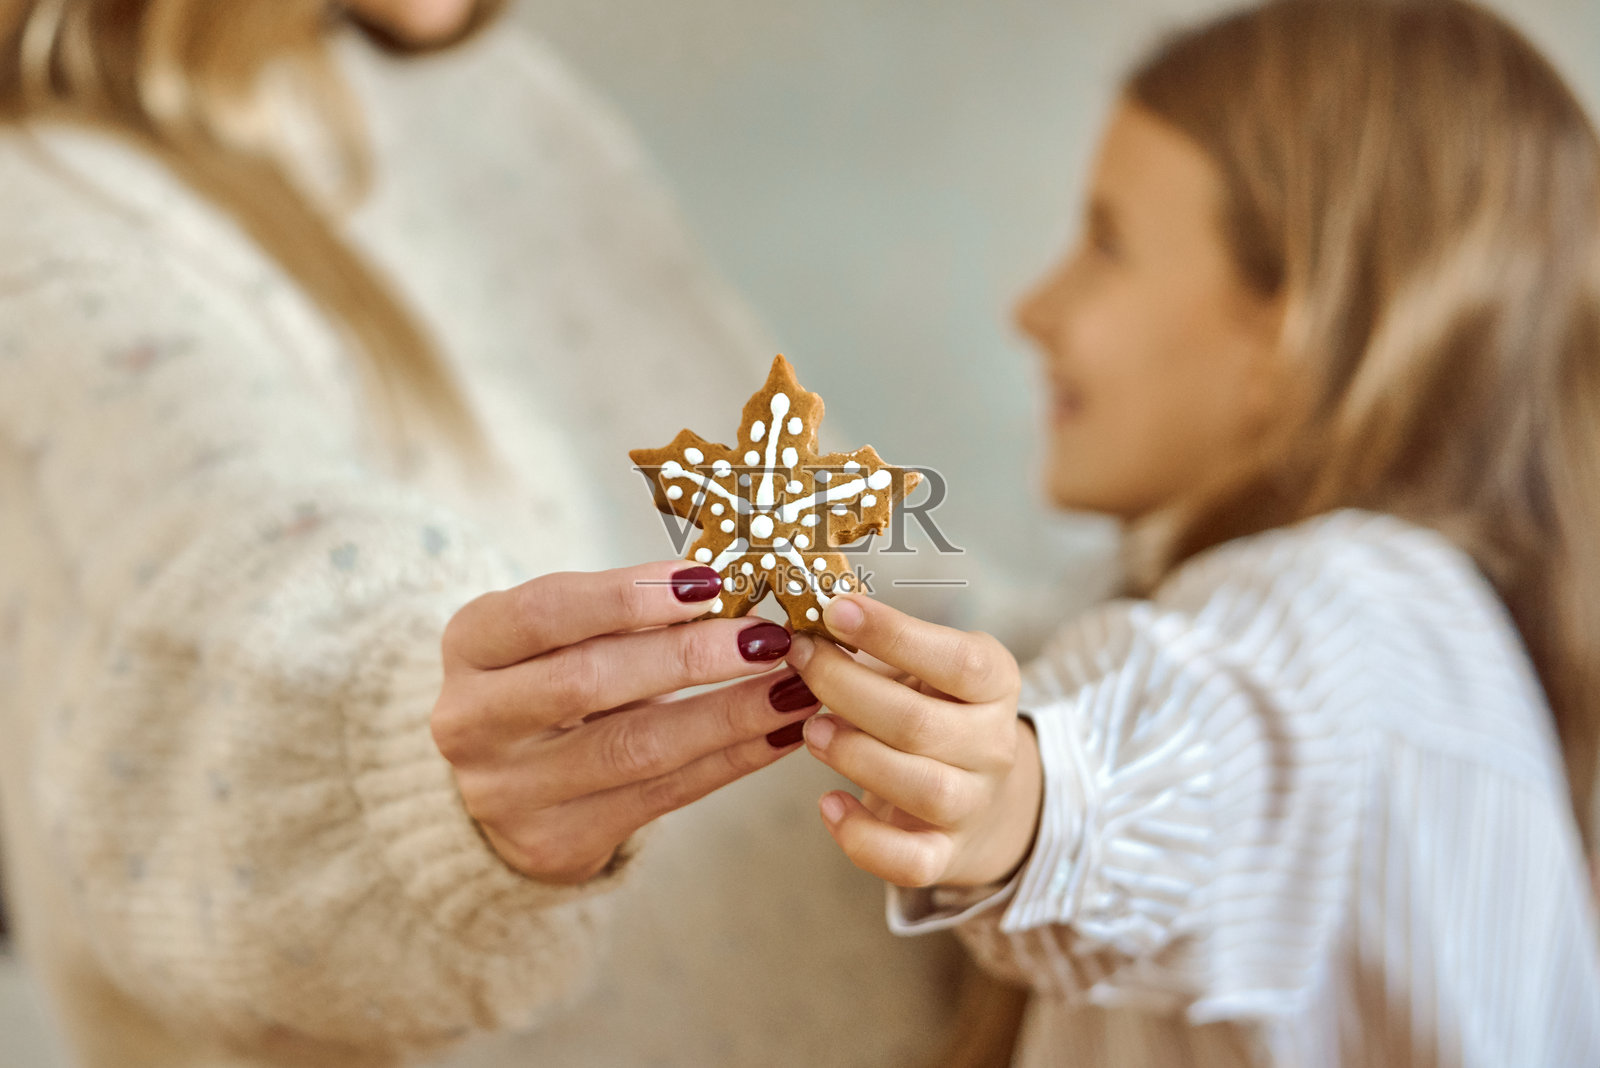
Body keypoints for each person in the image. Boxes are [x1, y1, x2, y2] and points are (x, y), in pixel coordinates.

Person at [0, 0, 1016, 1065]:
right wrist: (405, 786)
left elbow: (883, 568)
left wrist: (1060, 707)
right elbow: (213, 587)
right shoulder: (44, 220)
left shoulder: (489, 97)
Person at [777, 0, 1600, 1063]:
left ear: (1289, 329)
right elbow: (1029, 643)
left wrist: (1024, 802)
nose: (1033, 307)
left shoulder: (1351, 610)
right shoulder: (1411, 640)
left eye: (1106, 242)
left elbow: (1197, 750)